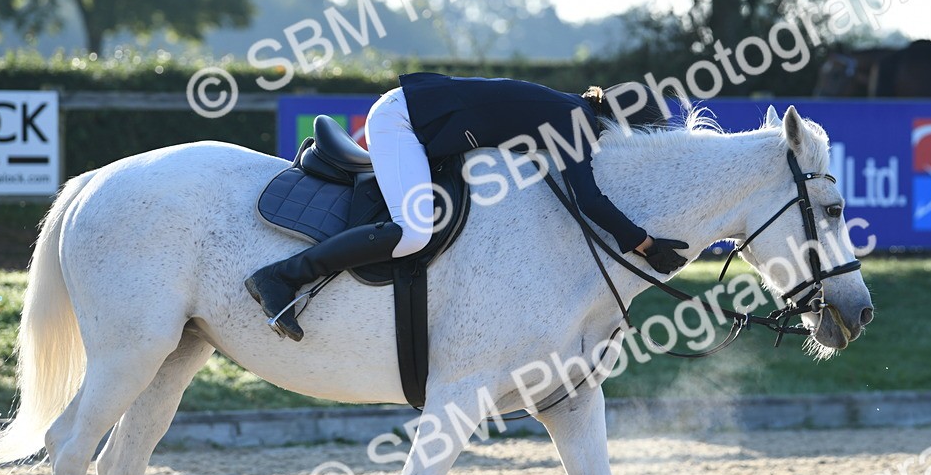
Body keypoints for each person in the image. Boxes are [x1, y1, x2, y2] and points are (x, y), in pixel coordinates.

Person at [246, 73, 692, 340]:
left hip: (420, 117)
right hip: (402, 120)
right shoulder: (572, 121)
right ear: (618, 125)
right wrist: (646, 245)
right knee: (413, 230)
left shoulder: (565, 112)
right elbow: (588, 200)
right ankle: (282, 277)